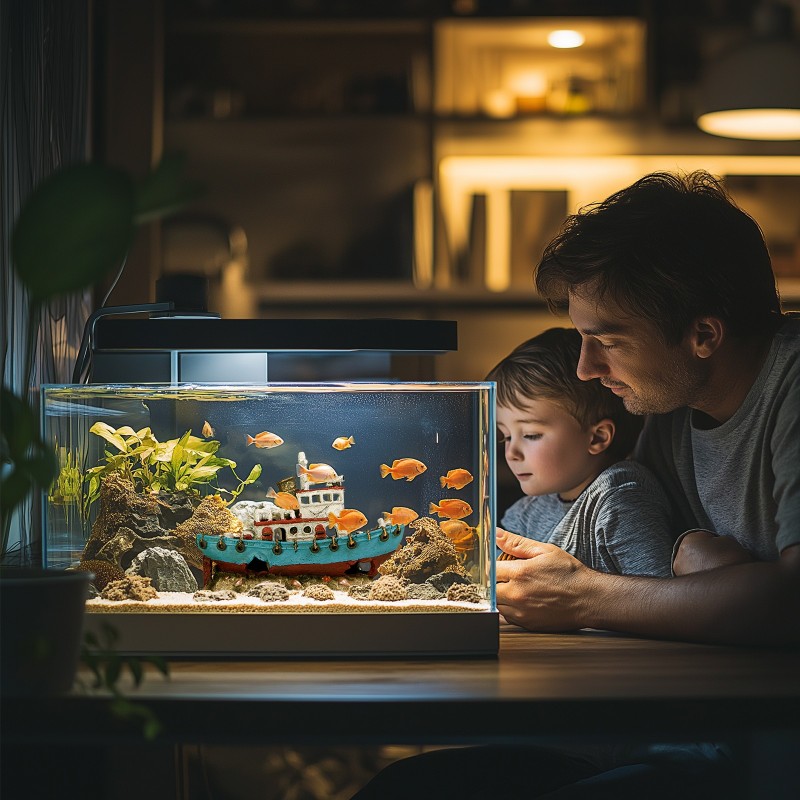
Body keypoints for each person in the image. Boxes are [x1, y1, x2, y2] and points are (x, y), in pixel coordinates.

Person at [498, 169, 800, 647]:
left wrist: (584, 598)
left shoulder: (793, 386)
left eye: (609, 342)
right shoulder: (672, 407)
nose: (585, 368)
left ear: (703, 335)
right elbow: (651, 545)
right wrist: (686, 548)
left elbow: (791, 602)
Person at [487, 326, 674, 577]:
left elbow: (656, 600)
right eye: (506, 436)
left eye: (531, 434)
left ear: (597, 437)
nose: (511, 452)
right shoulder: (525, 513)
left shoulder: (620, 499)